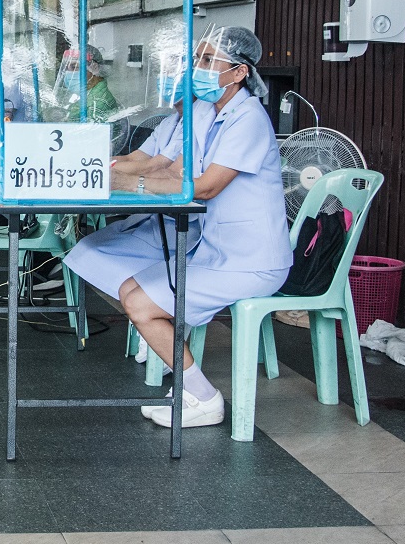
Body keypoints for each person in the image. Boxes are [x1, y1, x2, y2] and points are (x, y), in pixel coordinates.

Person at [61, 27, 292, 428]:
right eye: (196, 59)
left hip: (252, 260)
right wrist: (110, 174)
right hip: (216, 250)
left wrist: (129, 183)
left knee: (139, 304)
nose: (196, 68)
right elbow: (173, 169)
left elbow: (207, 186)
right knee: (130, 289)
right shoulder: (205, 114)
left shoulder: (249, 119)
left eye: (208, 60)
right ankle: (184, 384)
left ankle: (203, 397)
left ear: (239, 73)